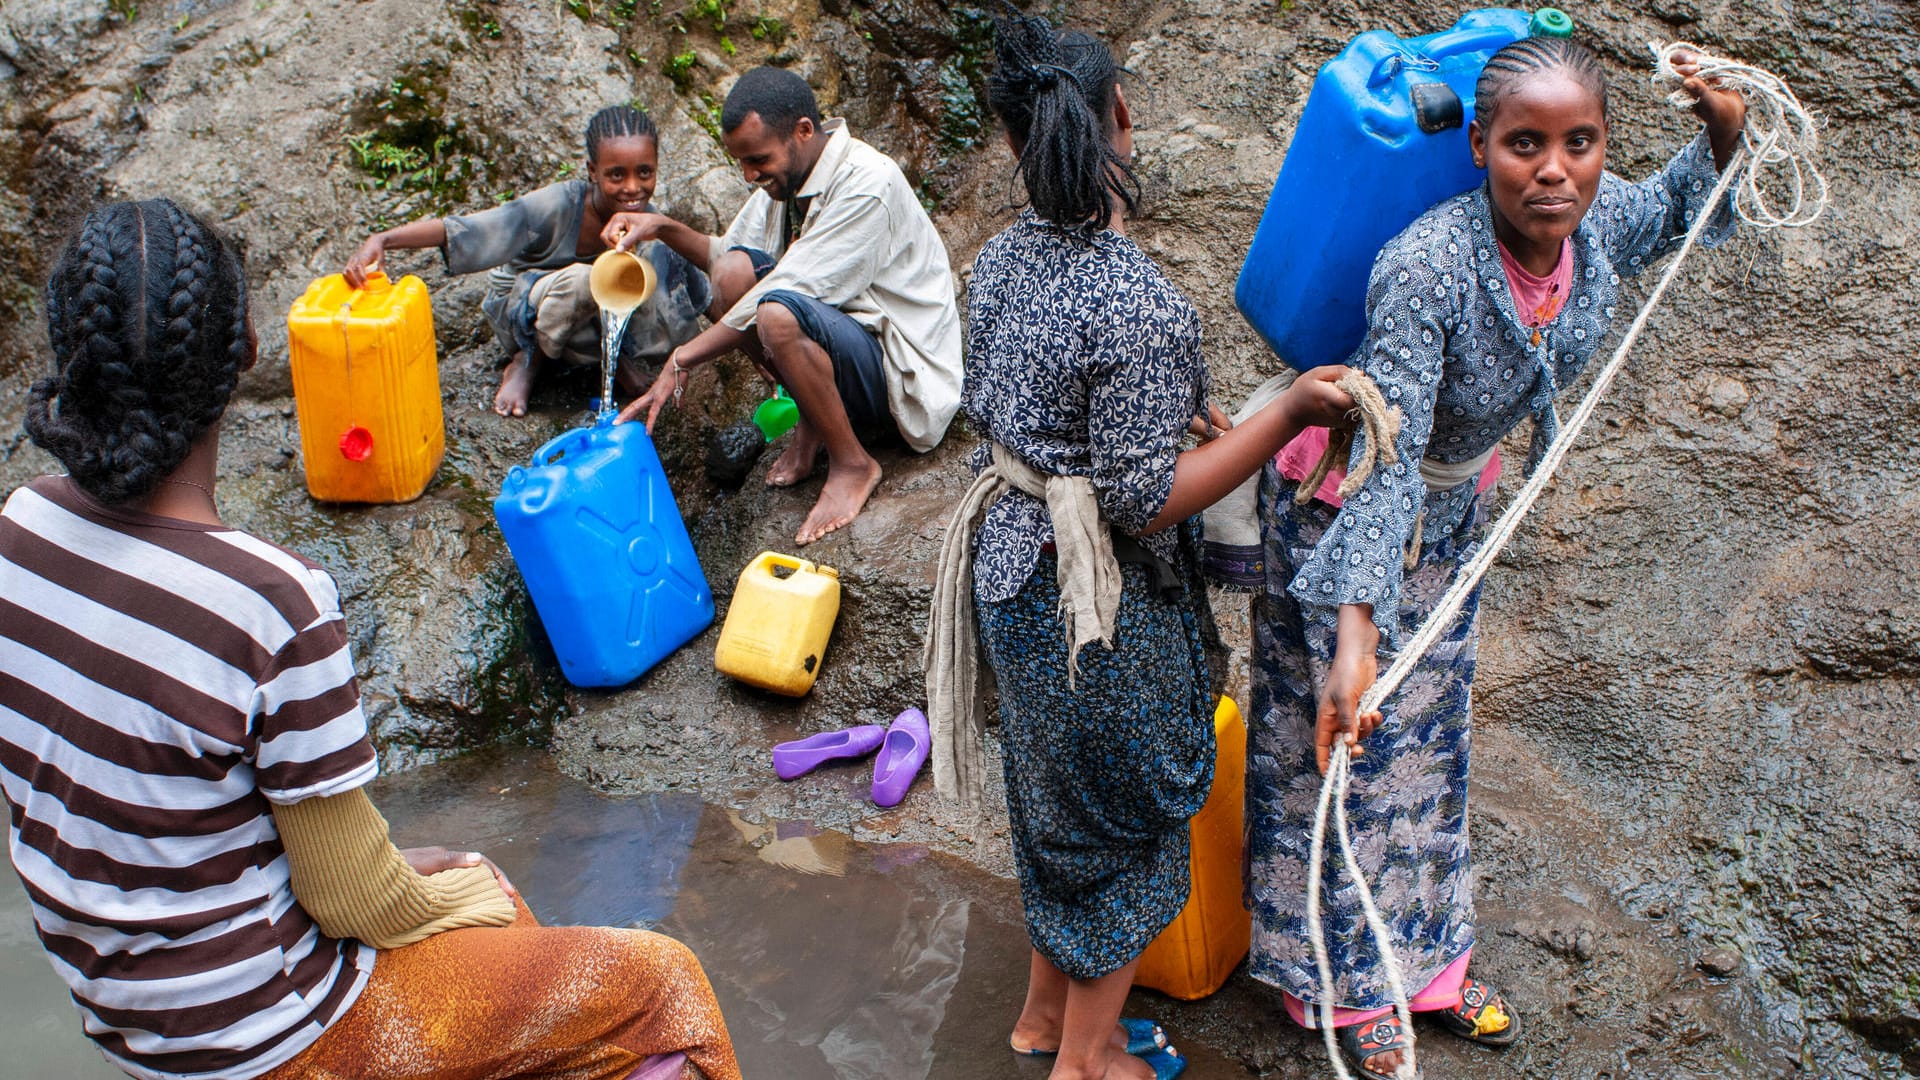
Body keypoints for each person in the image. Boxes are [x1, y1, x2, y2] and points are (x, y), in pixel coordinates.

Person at [1, 198, 741, 1080]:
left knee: (481, 915)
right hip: (275, 1040)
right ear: (242, 354)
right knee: (658, 984)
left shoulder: (22, 528)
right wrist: (459, 883)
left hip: (133, 1022)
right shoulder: (265, 599)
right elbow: (352, 897)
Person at [1243, 37, 1748, 1079]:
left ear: (1603, 148)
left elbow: (1670, 215)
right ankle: (1341, 986)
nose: (1554, 169)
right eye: (1525, 144)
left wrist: (1725, 128)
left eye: (1580, 143)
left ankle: (1427, 963)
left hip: (1455, 516)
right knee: (1342, 742)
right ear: (1480, 147)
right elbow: (1383, 460)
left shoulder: (1594, 223)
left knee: (1430, 741)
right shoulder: (1426, 269)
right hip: (1342, 515)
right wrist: (1354, 632)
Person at [923, 14, 1353, 1080]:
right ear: (1120, 114)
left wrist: (1186, 413)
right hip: (1093, 599)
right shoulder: (1138, 303)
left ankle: (1039, 1018)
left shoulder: (1000, 260)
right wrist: (1286, 412)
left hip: (1010, 566)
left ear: (1015, 142)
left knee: (1056, 796)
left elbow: (1050, 415)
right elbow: (1142, 500)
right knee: (1129, 808)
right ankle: (1088, 1058)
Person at [601, 66, 964, 545]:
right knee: (733, 273)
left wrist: (682, 357)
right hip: (839, 348)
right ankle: (812, 422)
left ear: (804, 132)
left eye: (758, 160)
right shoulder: (788, 180)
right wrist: (660, 227)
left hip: (898, 374)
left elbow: (783, 293)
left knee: (776, 314)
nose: (751, 175)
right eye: (742, 164)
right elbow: (724, 261)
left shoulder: (869, 182)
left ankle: (853, 463)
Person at [342, 105, 711, 418]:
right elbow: (466, 229)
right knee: (585, 279)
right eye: (617, 175)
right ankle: (528, 363)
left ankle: (614, 363)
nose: (633, 187)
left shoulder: (647, 220)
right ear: (592, 172)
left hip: (591, 324)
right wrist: (383, 239)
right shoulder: (554, 207)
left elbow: (701, 282)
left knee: (654, 260)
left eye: (644, 172)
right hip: (527, 311)